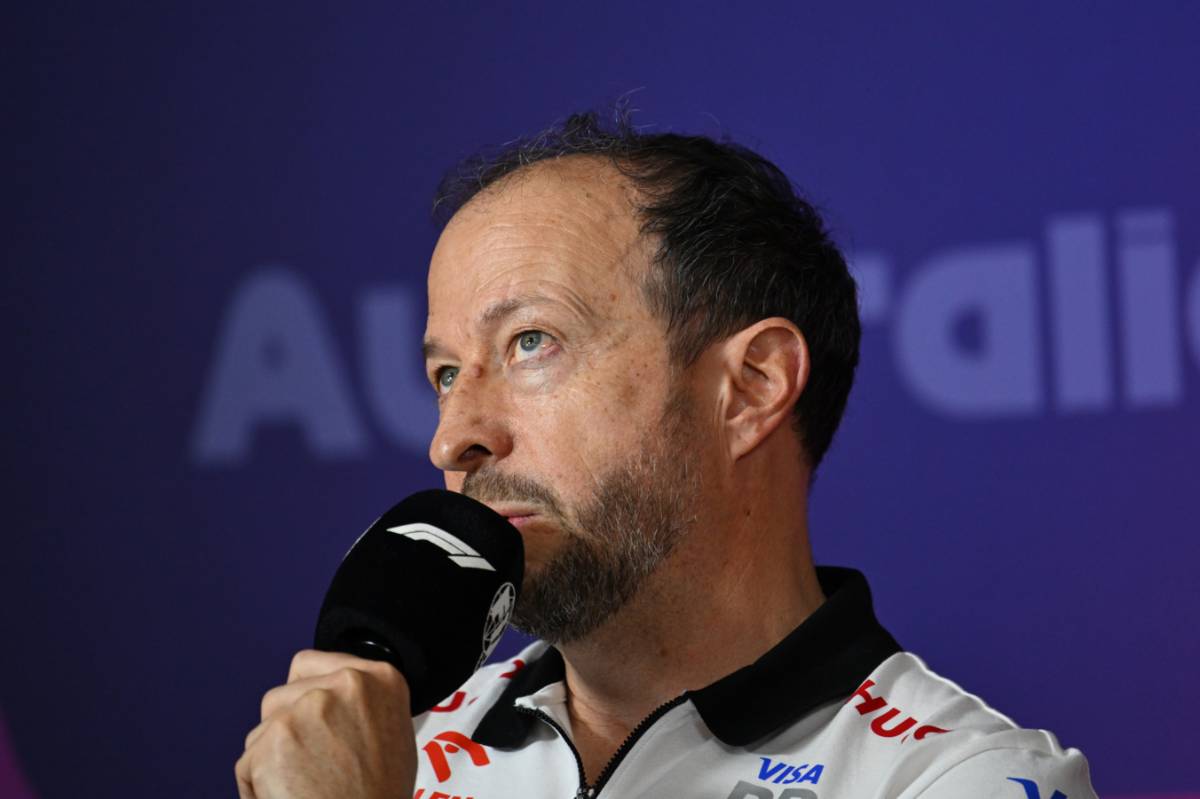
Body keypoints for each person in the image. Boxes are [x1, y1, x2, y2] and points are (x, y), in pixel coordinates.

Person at [236, 112, 1097, 799]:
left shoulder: (958, 781)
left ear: (753, 386)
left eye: (532, 342)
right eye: (446, 371)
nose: (454, 435)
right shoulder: (391, 757)